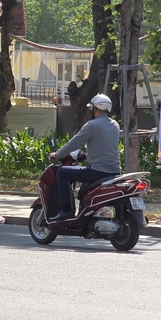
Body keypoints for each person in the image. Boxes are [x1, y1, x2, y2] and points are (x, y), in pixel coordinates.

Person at [48, 93, 121, 223]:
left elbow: (74, 143)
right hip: (115, 171)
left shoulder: (92, 125)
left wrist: (57, 155)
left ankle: (66, 210)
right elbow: (104, 145)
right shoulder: (115, 125)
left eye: (92, 108)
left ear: (96, 109)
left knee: (62, 172)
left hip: (97, 171)